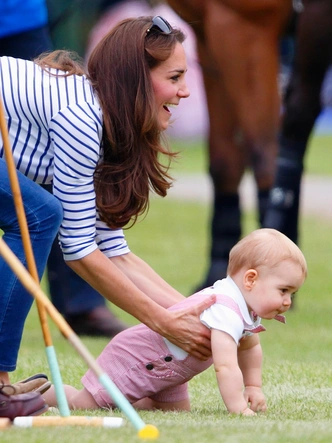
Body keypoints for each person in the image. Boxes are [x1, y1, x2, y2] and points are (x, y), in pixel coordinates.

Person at [0, 15, 214, 391]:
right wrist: (164, 324)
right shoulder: (84, 121)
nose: (186, 92)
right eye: (174, 78)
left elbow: (113, 249)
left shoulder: (103, 120)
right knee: (40, 216)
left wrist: (204, 315)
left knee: (41, 215)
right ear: (137, 81)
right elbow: (80, 252)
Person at [43, 228, 307, 415]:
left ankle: (127, 400)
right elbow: (225, 366)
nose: (287, 301)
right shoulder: (226, 308)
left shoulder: (246, 309)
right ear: (250, 279)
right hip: (137, 359)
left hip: (170, 374)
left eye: (291, 293)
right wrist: (238, 405)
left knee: (173, 412)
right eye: (283, 290)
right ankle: (44, 393)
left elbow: (250, 347)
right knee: (85, 404)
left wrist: (253, 386)